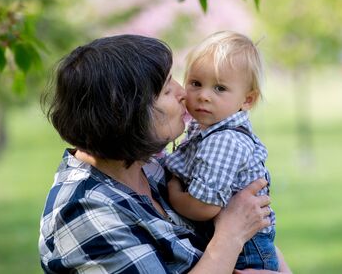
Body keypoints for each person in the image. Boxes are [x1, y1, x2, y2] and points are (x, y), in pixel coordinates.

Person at [39, 34, 291, 273]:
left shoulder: (148, 167)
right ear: (126, 113)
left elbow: (249, 221)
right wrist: (231, 235)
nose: (183, 93)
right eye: (167, 90)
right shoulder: (88, 210)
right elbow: (236, 224)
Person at [165, 31, 277, 271]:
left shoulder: (224, 140)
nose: (204, 95)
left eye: (220, 88)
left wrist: (173, 193)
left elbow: (205, 206)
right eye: (196, 83)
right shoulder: (205, 128)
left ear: (247, 100)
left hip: (246, 249)